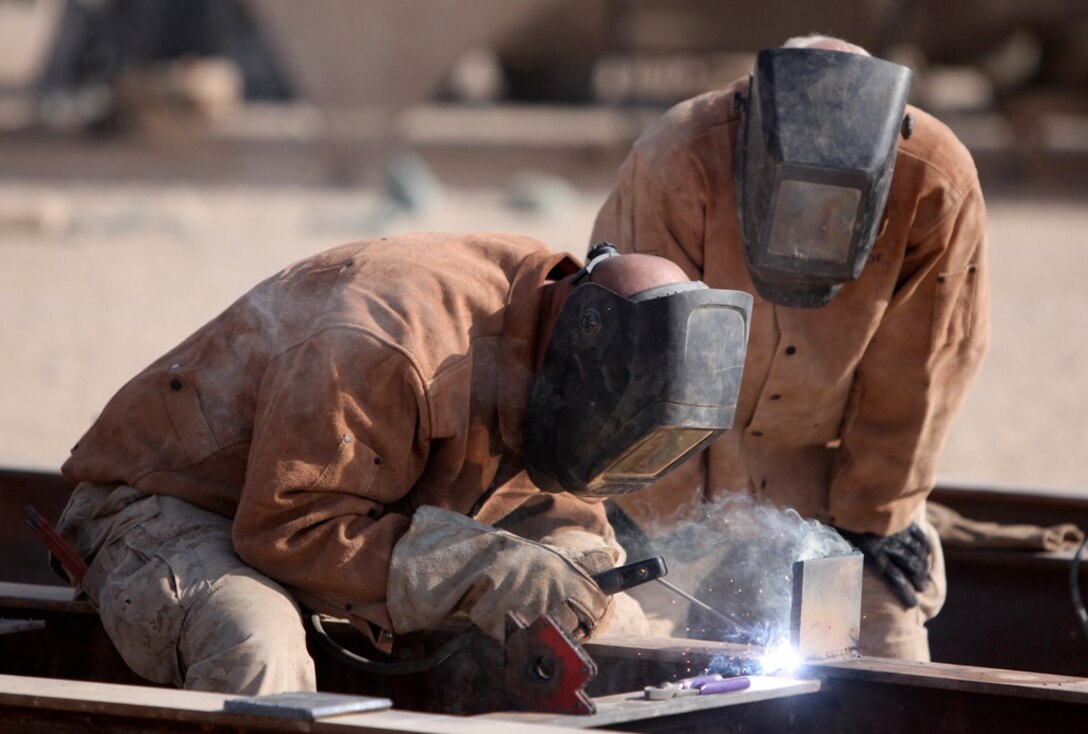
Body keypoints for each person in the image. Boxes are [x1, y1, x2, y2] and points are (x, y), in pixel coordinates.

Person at [53, 232, 752, 694]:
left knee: (609, 624)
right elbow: (285, 530)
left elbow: (561, 511)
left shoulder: (557, 341)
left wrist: (579, 577)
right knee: (255, 650)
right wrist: (484, 567)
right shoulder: (382, 338)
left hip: (360, 517)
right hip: (173, 510)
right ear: (579, 347)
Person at [591, 34, 990, 660]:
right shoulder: (679, 160)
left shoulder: (935, 180)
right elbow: (638, 364)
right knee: (644, 667)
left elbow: (926, 369)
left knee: (884, 670)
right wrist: (671, 525)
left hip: (832, 493)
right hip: (676, 477)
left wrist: (874, 516)